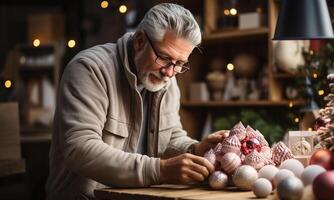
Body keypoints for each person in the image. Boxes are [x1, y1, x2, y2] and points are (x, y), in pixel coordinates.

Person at [46, 3, 228, 199]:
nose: (169, 72)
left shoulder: (167, 79)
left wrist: (195, 149)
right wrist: (160, 170)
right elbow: (80, 150)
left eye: (180, 64)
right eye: (164, 58)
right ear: (140, 40)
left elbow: (171, 136)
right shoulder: (89, 69)